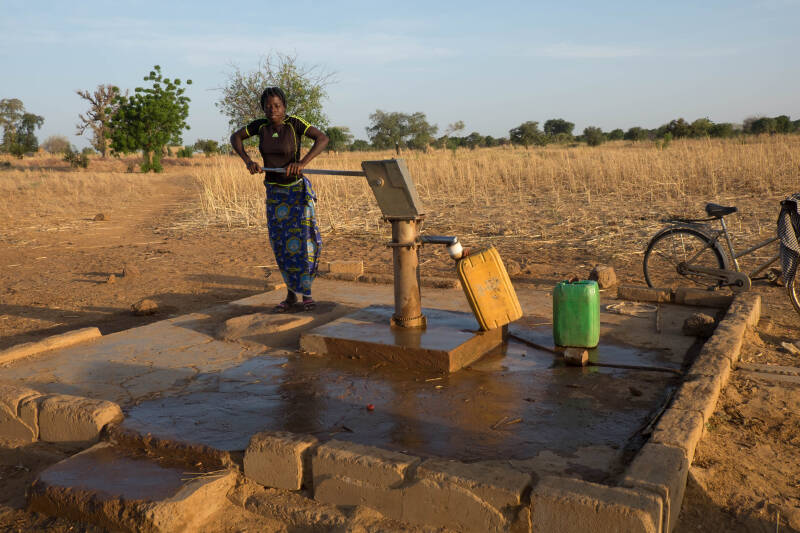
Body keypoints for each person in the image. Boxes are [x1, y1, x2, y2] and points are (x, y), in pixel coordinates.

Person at [230, 87, 329, 312]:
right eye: (268, 106)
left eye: (277, 106)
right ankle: (291, 295)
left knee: (304, 242)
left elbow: (323, 138)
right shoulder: (260, 126)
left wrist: (302, 163)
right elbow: (235, 137)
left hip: (296, 192)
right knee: (282, 244)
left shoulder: (295, 124)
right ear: (263, 108)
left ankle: (307, 294)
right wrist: (248, 161)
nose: (273, 110)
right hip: (274, 194)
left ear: (284, 107)